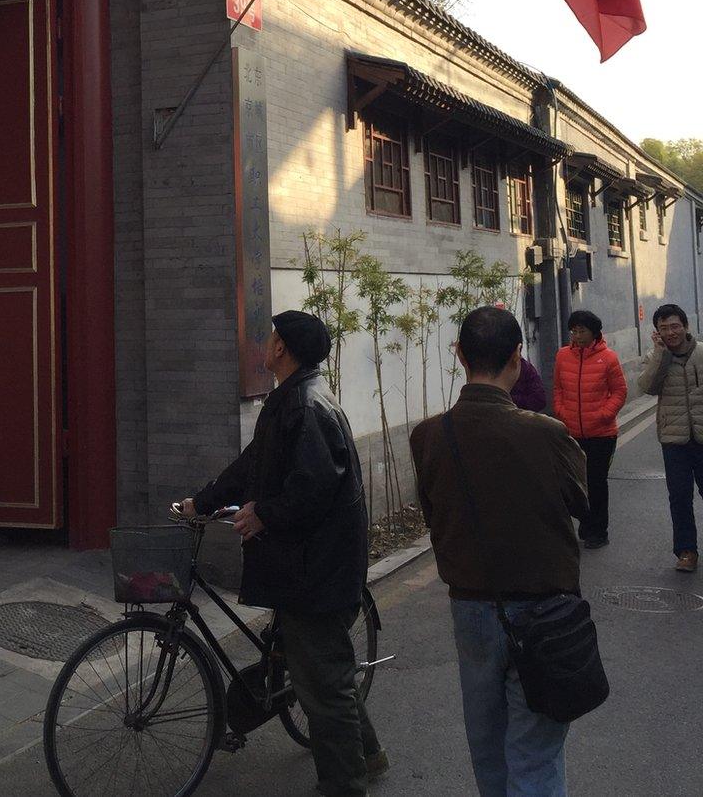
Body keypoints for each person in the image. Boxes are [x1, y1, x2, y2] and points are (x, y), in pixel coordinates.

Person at [179, 310, 388, 796]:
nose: (265, 342)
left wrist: (265, 515)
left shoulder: (306, 405)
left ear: (282, 350)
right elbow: (253, 465)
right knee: (323, 671)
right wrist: (203, 500)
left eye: (272, 337)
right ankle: (370, 755)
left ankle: (344, 785)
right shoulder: (293, 398)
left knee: (324, 682)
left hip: (318, 568)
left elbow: (315, 485)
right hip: (307, 563)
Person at [410, 306, 588, 797]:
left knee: (487, 749)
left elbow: (433, 514)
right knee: (535, 758)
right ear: (517, 357)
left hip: (469, 607)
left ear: (459, 355)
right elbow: (582, 502)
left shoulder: (428, 436)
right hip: (545, 612)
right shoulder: (546, 434)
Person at [552, 310, 627, 549]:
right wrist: (561, 412)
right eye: (573, 330)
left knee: (596, 482)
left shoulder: (609, 358)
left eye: (581, 330)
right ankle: (585, 523)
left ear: (594, 332)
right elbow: (558, 389)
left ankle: (599, 530)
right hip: (572, 432)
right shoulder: (563, 356)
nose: (576, 335)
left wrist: (604, 415)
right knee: (576, 483)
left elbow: (619, 391)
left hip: (602, 434)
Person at [637, 303, 703, 572]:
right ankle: (686, 551)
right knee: (679, 496)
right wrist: (660, 355)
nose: (670, 332)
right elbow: (647, 387)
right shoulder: (656, 356)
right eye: (663, 329)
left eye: (674, 326)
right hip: (673, 439)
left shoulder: (701, 353)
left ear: (685, 327)